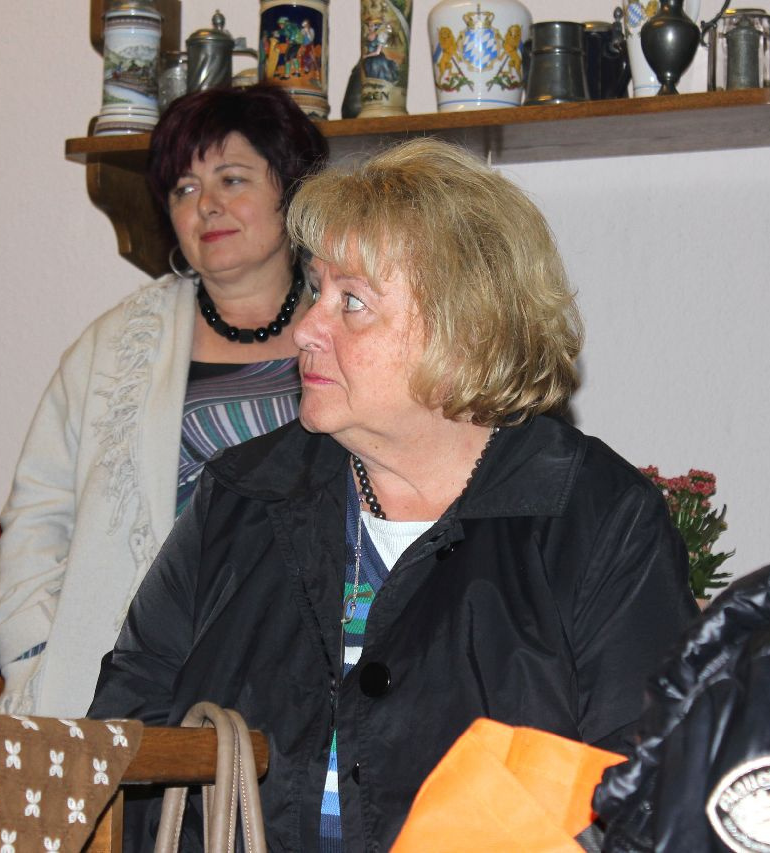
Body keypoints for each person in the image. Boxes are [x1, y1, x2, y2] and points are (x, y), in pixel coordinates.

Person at [88, 137, 698, 850]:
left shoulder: (598, 520)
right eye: (316, 290)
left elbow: (649, 798)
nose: (306, 329)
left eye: (352, 302)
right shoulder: (242, 496)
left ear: (464, 332)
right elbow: (122, 743)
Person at [0, 86, 329, 717]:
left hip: (311, 679)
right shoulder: (115, 345)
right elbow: (39, 512)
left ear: (291, 189)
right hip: (134, 682)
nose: (207, 205)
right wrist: (34, 650)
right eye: (184, 189)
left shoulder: (351, 330)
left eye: (231, 179)